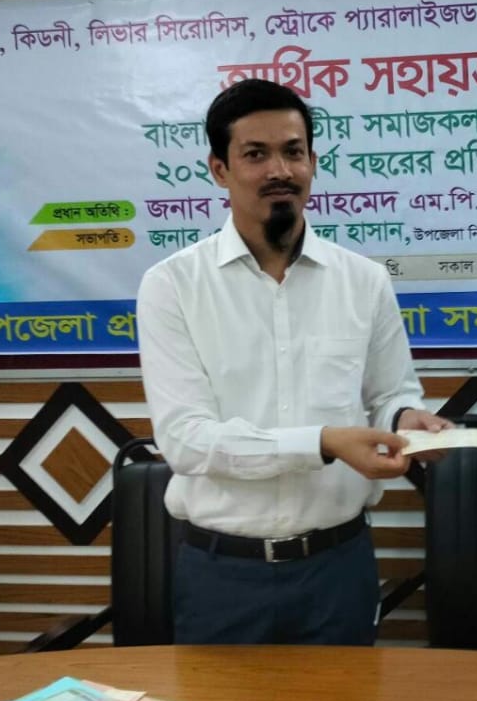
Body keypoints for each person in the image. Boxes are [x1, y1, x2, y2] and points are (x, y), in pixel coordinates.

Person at [137, 79, 449, 646]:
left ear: (313, 162)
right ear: (219, 170)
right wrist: (324, 442)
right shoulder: (172, 286)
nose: (279, 170)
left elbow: (390, 394)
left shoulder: (363, 280)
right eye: (256, 154)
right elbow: (186, 440)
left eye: (293, 151)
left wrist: (409, 421)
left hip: (338, 567)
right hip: (222, 574)